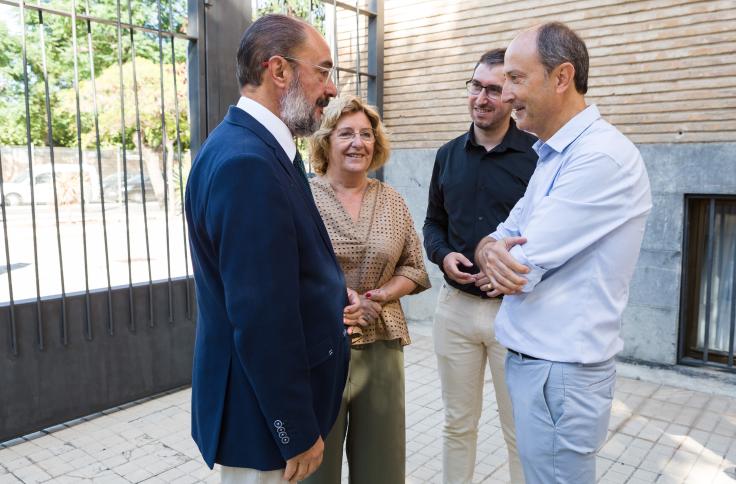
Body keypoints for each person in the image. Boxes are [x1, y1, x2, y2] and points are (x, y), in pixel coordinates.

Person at [474, 22, 652, 484]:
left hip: (561, 375)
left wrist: (498, 254)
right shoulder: (555, 154)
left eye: (516, 78)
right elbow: (502, 234)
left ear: (561, 77)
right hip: (542, 367)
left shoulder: (599, 158)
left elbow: (520, 266)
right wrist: (488, 246)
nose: (505, 93)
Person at [185, 14, 355, 484]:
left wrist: (335, 295)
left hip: (263, 411)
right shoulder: (248, 163)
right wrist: (295, 430)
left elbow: (283, 272)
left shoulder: (256, 147)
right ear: (278, 71)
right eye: (322, 70)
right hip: (262, 423)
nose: (332, 87)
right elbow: (260, 314)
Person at [303, 94, 430, 484]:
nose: (358, 142)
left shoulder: (391, 199)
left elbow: (414, 266)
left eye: (366, 134)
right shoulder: (303, 198)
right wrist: (339, 303)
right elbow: (289, 272)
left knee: (382, 466)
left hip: (381, 343)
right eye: (346, 133)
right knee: (316, 467)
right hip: (320, 343)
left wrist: (379, 296)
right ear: (326, 142)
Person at [423, 48, 536, 484]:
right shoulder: (447, 155)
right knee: (457, 424)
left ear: (510, 97)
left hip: (516, 313)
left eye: (493, 89)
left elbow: (546, 231)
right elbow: (434, 223)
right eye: (475, 86)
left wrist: (509, 268)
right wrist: (443, 255)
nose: (481, 98)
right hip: (455, 311)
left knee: (519, 432)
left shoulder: (537, 157)